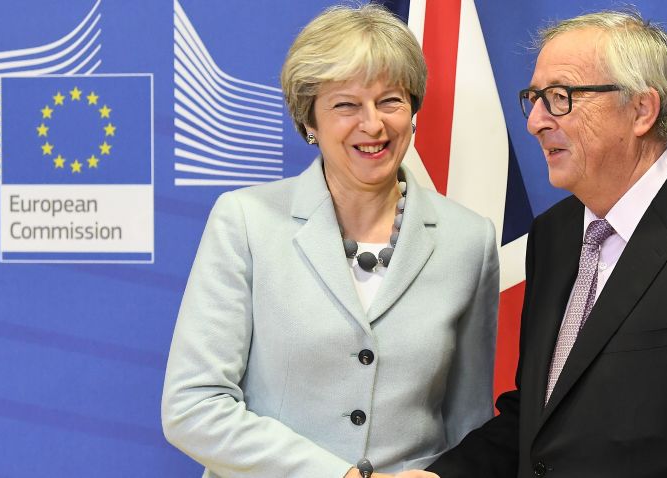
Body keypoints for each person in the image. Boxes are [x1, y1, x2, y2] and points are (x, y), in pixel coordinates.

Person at [424, 9, 667, 478]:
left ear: (641, 110)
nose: (536, 122)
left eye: (561, 97)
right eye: (534, 98)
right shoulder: (554, 234)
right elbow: (540, 418)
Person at [161, 4, 499, 478]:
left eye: (390, 101)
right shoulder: (245, 221)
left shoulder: (470, 239)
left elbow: (468, 424)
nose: (373, 124)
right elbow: (192, 406)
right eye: (346, 105)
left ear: (414, 112)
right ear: (309, 122)